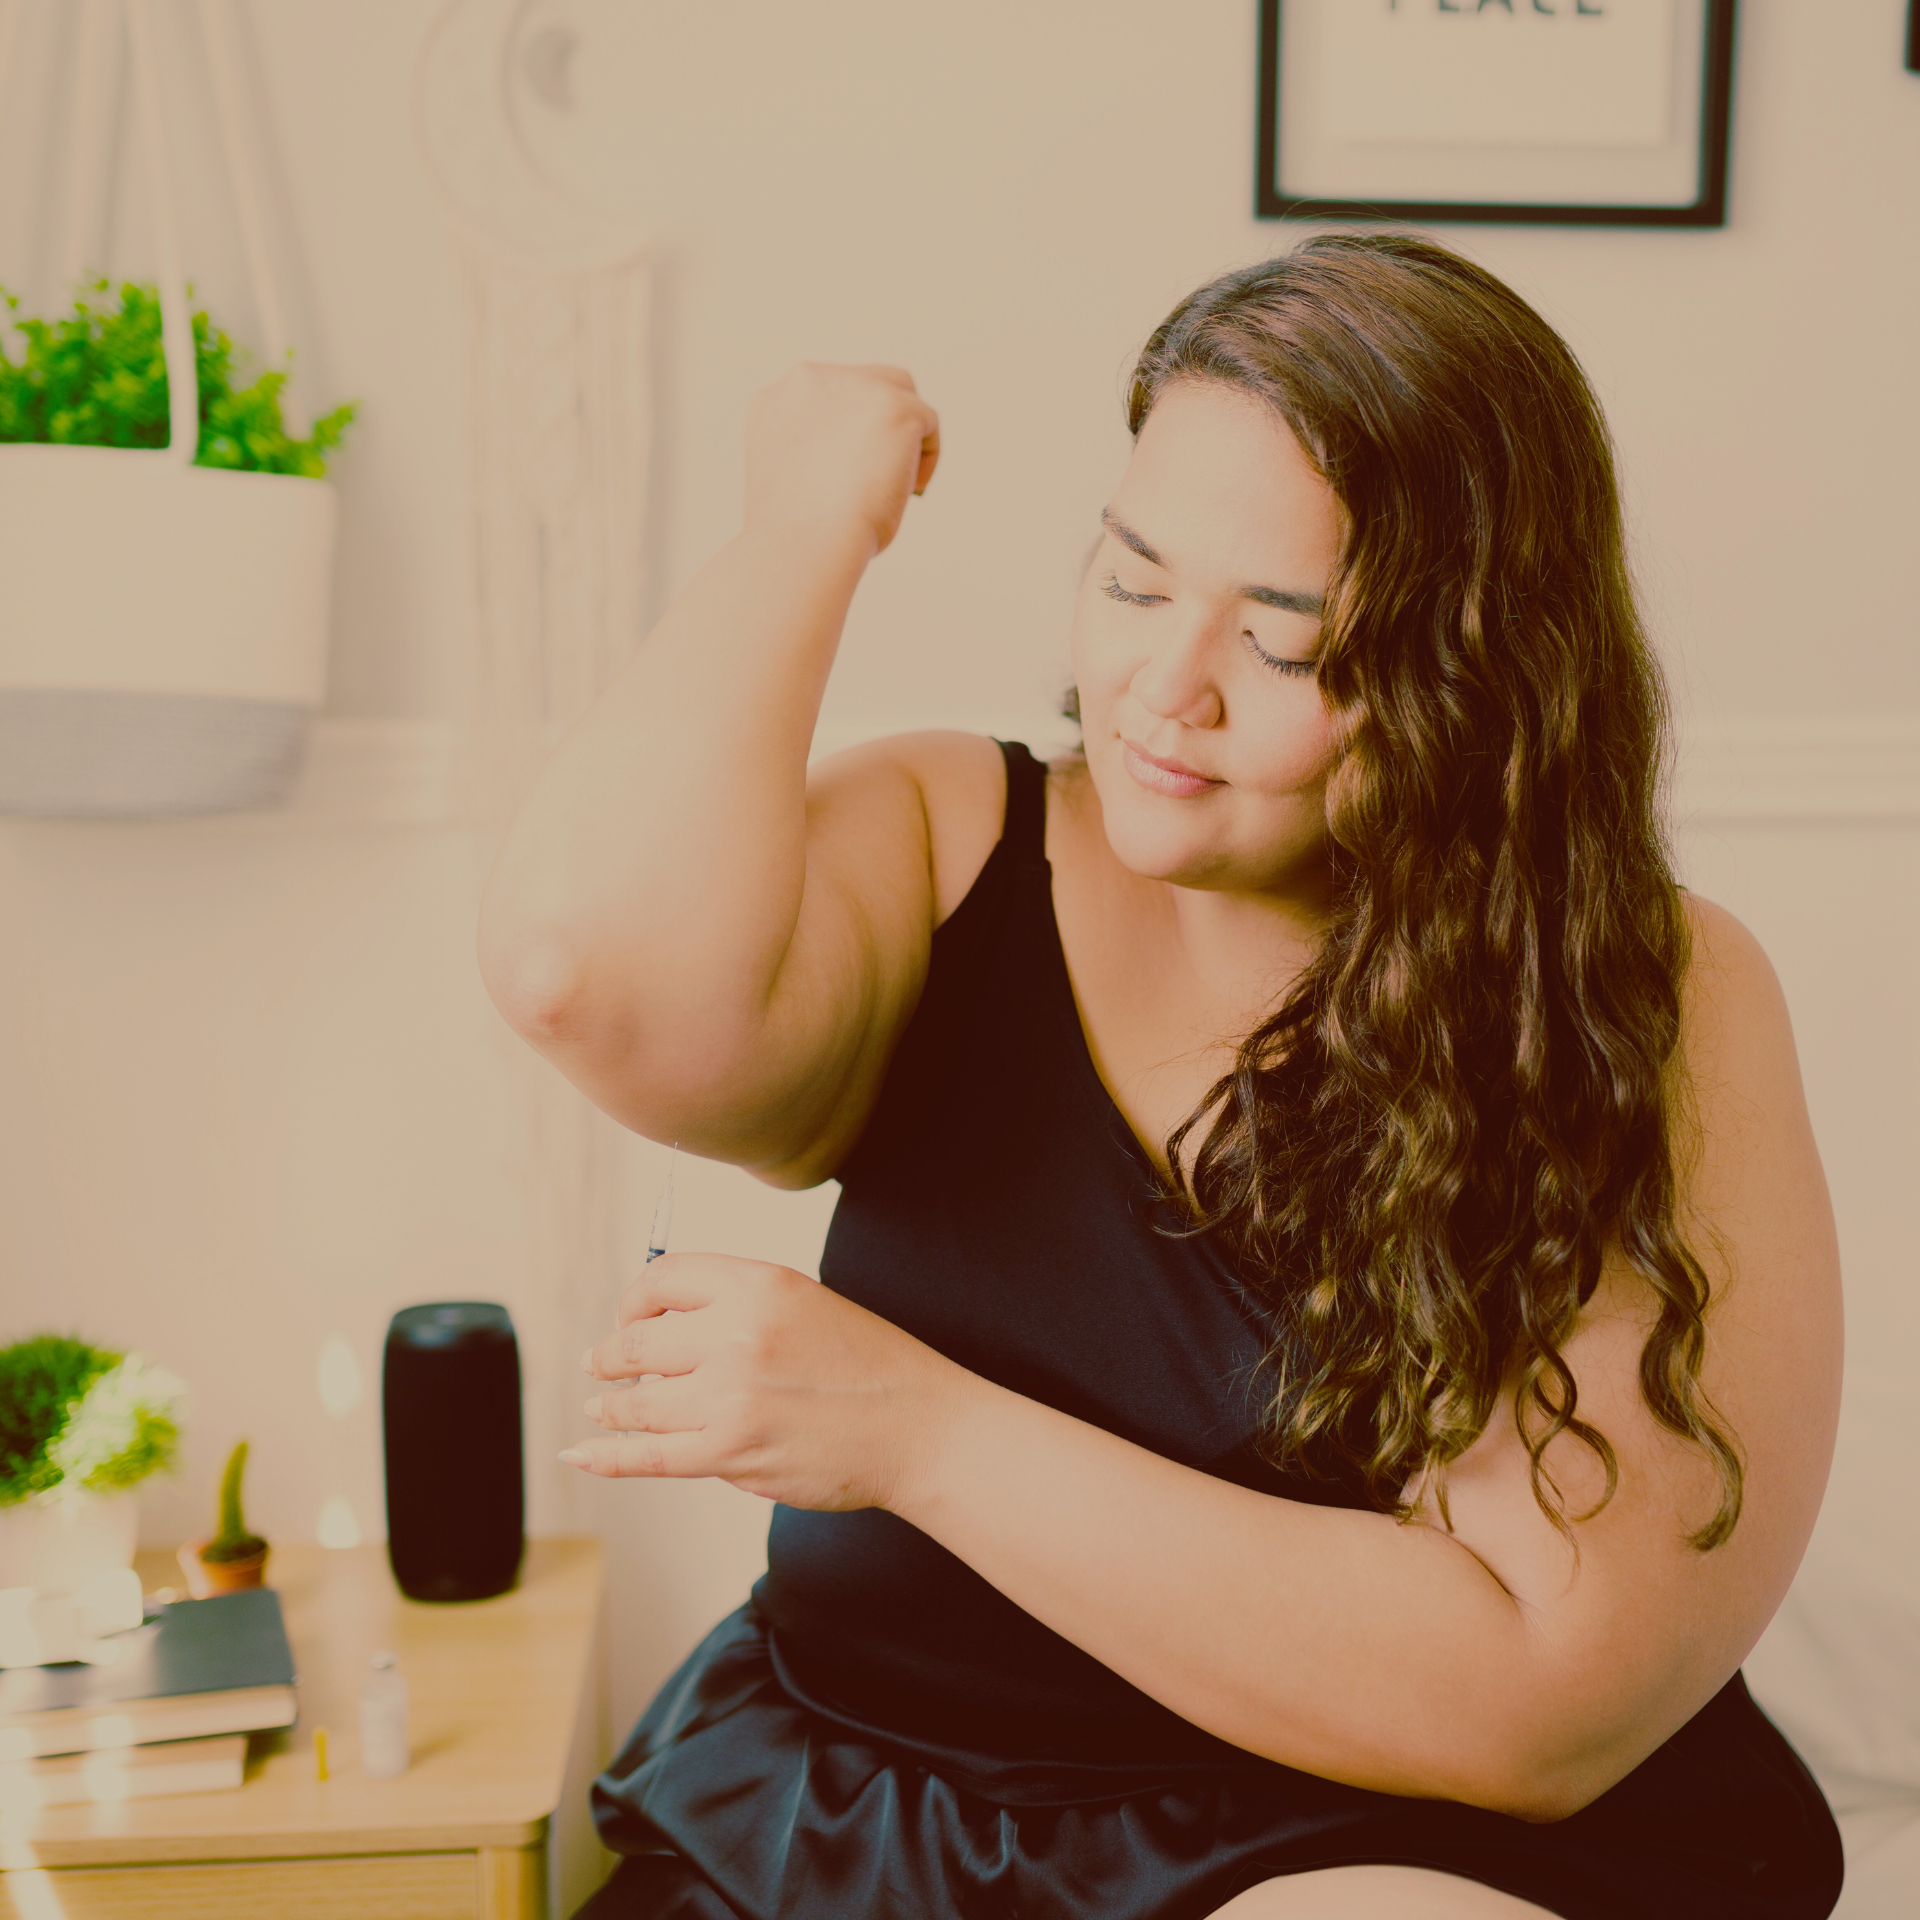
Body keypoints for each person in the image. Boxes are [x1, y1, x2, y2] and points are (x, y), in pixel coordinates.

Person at [476, 234, 1846, 1920]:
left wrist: (912, 1432)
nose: (1161, 693)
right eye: (1131, 583)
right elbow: (579, 976)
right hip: (869, 1827)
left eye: (1283, 645)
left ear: (1476, 686)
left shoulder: (1644, 993)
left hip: (1363, 1854)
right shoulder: (950, 844)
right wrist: (802, 530)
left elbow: (1540, 1703)